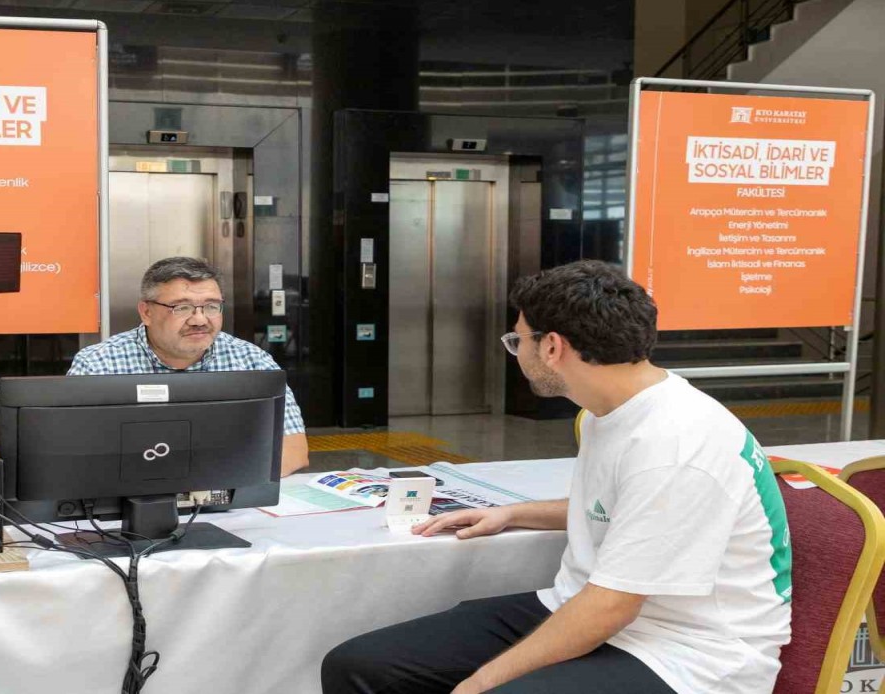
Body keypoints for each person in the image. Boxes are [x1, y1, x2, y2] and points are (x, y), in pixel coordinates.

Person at [322, 260, 791, 694]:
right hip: (586, 606)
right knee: (359, 666)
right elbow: (625, 513)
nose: (515, 350)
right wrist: (511, 513)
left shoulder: (676, 443)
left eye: (517, 339)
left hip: (687, 655)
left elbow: (611, 606)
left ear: (551, 347)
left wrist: (476, 684)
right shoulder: (605, 410)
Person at [69, 256, 309, 476]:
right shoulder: (98, 364)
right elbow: (72, 454)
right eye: (182, 308)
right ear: (146, 312)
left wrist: (205, 485)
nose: (199, 320)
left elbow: (293, 451)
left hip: (227, 498)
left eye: (211, 307)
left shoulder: (251, 361)